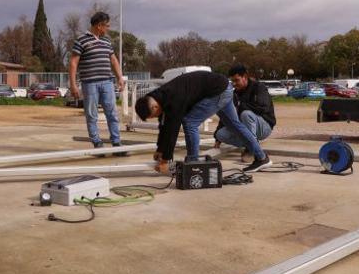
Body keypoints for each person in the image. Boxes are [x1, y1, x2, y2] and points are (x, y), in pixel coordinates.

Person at [134, 70, 271, 175]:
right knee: (235, 125)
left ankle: (194, 165)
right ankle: (262, 158)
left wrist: (165, 160)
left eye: (153, 115)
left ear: (154, 107)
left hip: (217, 91)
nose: (157, 116)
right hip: (222, 88)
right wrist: (160, 149)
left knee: (190, 123)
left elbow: (173, 130)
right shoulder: (160, 98)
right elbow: (164, 126)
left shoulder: (173, 100)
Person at [69, 11, 126, 149]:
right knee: (91, 115)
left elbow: (114, 60)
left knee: (112, 113)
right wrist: (73, 85)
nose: (108, 28)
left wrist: (120, 77)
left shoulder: (106, 41)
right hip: (90, 83)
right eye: (107, 25)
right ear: (99, 26)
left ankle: (116, 142)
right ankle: (97, 142)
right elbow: (73, 63)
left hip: (107, 82)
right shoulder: (81, 40)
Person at [215, 64, 275, 160]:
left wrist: (240, 106)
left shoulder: (259, 87)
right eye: (232, 81)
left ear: (245, 77)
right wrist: (217, 140)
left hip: (264, 126)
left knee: (246, 114)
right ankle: (251, 142)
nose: (234, 83)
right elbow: (226, 116)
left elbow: (263, 108)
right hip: (246, 128)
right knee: (220, 134)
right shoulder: (234, 94)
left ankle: (251, 149)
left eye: (236, 80)